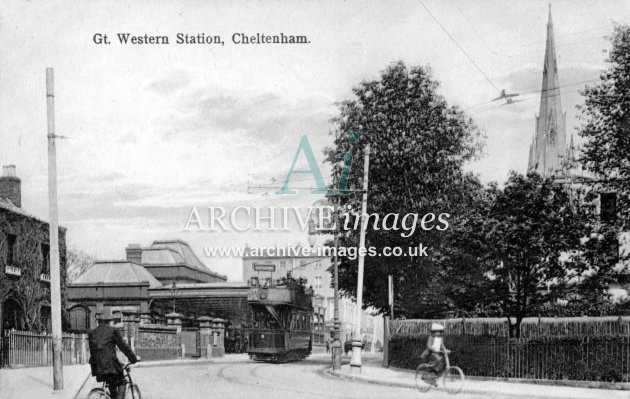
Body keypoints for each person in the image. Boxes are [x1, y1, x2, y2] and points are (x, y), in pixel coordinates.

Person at [88, 309, 138, 399]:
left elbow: (93, 352)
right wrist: (133, 358)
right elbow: (123, 347)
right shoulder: (112, 331)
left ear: (99, 321)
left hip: (98, 369)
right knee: (122, 381)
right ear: (108, 321)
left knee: (113, 387)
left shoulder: (92, 333)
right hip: (111, 368)